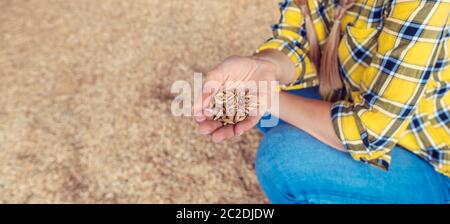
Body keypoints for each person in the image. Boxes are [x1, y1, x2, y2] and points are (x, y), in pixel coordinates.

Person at [194, 0, 450, 203]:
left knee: (283, 159)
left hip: (430, 162)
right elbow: (295, 40)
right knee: (262, 111)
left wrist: (266, 97)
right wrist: (265, 66)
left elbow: (371, 132)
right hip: (358, 102)